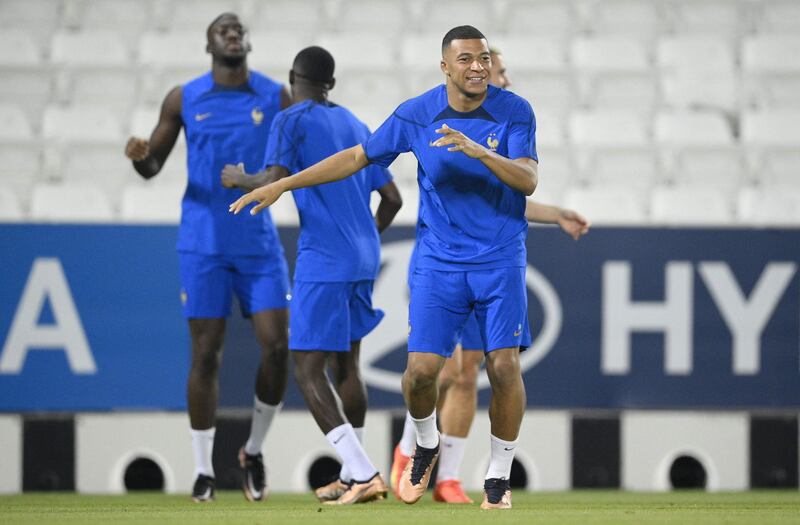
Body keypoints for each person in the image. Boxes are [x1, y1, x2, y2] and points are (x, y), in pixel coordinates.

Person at [230, 25, 539, 510]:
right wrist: (283, 185)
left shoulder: (515, 111)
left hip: (500, 258)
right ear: (445, 66)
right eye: (466, 59)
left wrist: (482, 151)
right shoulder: (416, 115)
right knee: (419, 376)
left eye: (483, 58)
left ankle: (498, 477)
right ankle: (425, 443)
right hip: (439, 262)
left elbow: (528, 179)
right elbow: (357, 157)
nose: (478, 67)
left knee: (503, 365)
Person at [389, 45, 591, 505]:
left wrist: (555, 213)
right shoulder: (443, 121)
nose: (501, 77)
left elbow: (510, 193)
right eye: (498, 70)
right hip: (444, 262)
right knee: (441, 369)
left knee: (473, 372)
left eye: (496, 68)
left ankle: (451, 476)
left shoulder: (509, 122)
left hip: (493, 261)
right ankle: (414, 446)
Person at [222, 46, 403, 505]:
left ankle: (363, 473)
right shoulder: (354, 123)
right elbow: (393, 199)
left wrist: (240, 180)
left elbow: (275, 178)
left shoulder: (290, 119)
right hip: (364, 258)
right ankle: (350, 473)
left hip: (324, 259)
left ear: (291, 79)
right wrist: (366, 238)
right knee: (348, 366)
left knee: (305, 369)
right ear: (331, 84)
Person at [124, 13, 292, 503]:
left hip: (258, 244)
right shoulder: (184, 97)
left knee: (278, 348)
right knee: (205, 353)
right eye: (224, 29)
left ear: (247, 41)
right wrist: (139, 155)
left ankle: (254, 451)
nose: (233, 33)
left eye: (238, 28)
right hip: (203, 245)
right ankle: (202, 471)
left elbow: (286, 167)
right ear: (208, 44)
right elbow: (153, 165)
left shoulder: (274, 96)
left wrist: (250, 180)